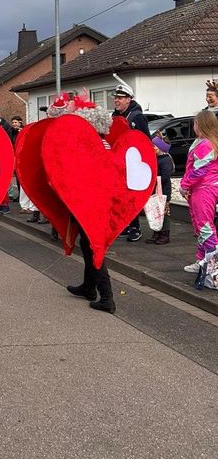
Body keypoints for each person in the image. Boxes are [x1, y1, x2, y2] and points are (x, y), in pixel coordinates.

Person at [61, 98, 118, 313]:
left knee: (94, 247)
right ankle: (88, 287)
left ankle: (107, 297)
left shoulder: (90, 147)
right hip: (97, 202)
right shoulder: (104, 143)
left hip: (91, 203)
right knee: (87, 245)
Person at [180, 110, 218, 287]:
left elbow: (198, 170)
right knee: (202, 226)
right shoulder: (206, 142)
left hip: (203, 189)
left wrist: (184, 185)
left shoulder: (205, 144)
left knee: (205, 228)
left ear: (200, 124)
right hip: (204, 188)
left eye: (195, 123)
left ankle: (213, 270)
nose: (193, 126)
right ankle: (203, 260)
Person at [111, 82, 150, 242]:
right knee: (121, 197)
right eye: (116, 98)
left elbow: (145, 141)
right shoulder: (115, 116)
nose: (117, 101)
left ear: (129, 99)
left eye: (120, 98)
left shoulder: (137, 117)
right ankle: (126, 225)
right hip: (119, 163)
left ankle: (135, 228)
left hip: (133, 163)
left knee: (132, 197)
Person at [146, 133, 173, 245]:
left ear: (161, 148)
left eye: (155, 146)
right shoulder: (156, 158)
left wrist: (154, 179)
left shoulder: (165, 160)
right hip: (155, 189)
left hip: (163, 191)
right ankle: (156, 232)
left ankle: (165, 234)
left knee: (164, 213)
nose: (152, 148)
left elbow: (165, 176)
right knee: (155, 211)